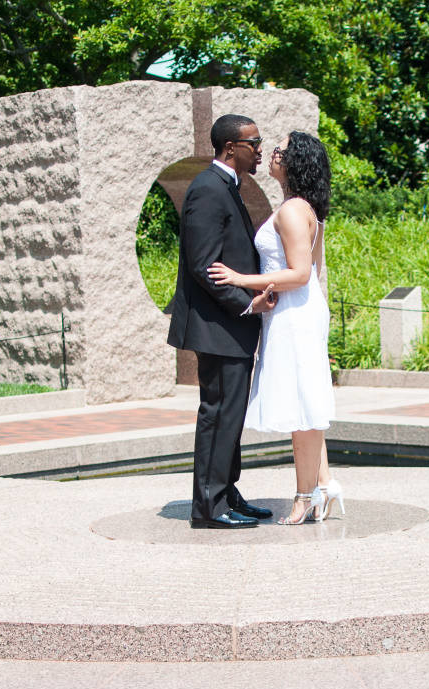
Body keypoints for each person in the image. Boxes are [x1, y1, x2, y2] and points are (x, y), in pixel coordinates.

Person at [209, 131, 341, 525]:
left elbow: (301, 273)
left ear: (294, 162)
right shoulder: (305, 208)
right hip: (297, 309)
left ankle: (305, 496)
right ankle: (323, 484)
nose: (272, 154)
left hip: (294, 313)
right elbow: (313, 271)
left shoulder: (291, 211)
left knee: (301, 405)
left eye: (280, 151)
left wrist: (239, 278)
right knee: (307, 398)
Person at [166, 114, 277, 529]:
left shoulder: (226, 187)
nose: (260, 149)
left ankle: (227, 493)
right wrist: (246, 305)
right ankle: (209, 509)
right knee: (218, 413)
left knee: (230, 413)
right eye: (255, 142)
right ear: (231, 147)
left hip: (230, 327)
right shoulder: (209, 190)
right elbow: (203, 264)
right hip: (219, 327)